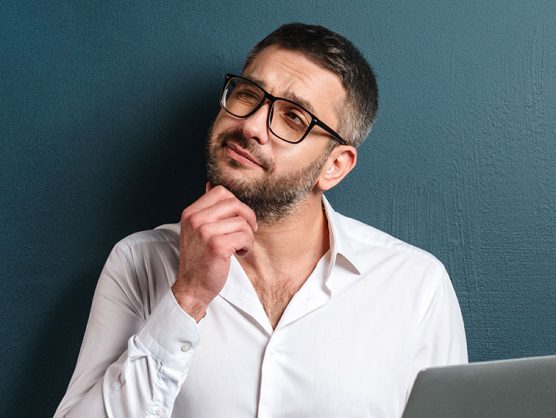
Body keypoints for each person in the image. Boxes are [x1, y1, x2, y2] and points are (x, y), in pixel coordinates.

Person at [55, 23, 467, 418]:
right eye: (248, 94)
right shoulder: (138, 262)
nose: (251, 125)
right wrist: (188, 299)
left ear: (335, 166)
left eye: (294, 118)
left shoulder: (416, 286)